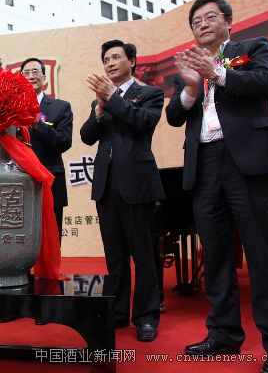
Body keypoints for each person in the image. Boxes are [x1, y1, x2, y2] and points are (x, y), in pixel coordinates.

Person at [166, 0, 268, 373]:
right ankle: (223, 333)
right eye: (196, 22)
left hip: (246, 162)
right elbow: (174, 116)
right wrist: (191, 88)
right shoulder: (189, 66)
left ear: (228, 21)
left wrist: (218, 73)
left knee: (261, 253)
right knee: (215, 254)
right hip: (205, 163)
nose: (202, 25)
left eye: (210, 17)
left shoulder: (251, 48)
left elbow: (267, 82)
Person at [80, 40, 165, 342]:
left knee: (143, 255)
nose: (110, 63)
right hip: (106, 185)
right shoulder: (101, 99)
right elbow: (87, 136)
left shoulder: (149, 93)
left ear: (132, 61)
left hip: (138, 184)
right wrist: (99, 111)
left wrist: (113, 98)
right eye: (106, 59)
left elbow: (142, 123)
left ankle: (146, 317)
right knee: (114, 255)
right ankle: (117, 312)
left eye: (116, 57)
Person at [20, 57, 73, 241]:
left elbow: (64, 142)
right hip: (19, 182)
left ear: (44, 78)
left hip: (50, 180)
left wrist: (38, 125)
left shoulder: (60, 107)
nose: (30, 76)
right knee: (21, 238)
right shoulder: (11, 109)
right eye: (26, 73)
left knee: (51, 238)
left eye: (35, 72)